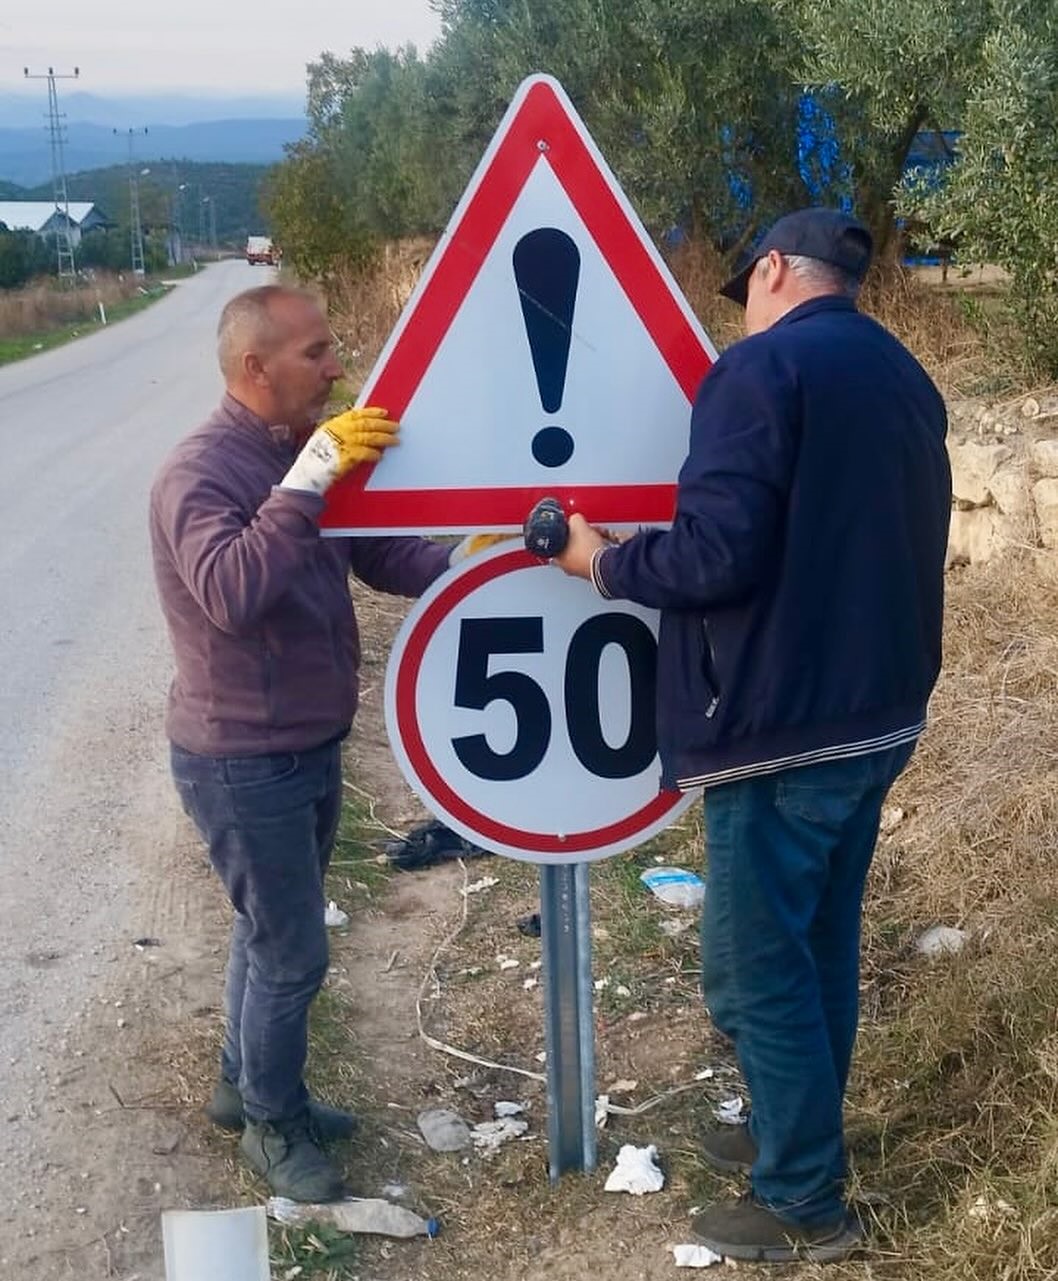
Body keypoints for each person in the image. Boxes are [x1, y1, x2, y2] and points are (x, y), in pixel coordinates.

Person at [549, 209, 951, 1262]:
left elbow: (712, 557)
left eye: (747, 289)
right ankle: (792, 1137)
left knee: (747, 969)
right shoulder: (899, 374)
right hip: (878, 713)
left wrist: (598, 562)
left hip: (783, 722)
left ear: (771, 269)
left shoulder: (758, 374)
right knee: (814, 948)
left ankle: (800, 1203)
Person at [149, 284, 457, 1203]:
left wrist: (466, 557)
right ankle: (273, 1124)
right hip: (241, 757)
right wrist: (307, 480)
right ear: (255, 368)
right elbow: (233, 590)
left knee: (269, 928)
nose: (336, 369)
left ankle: (241, 1086)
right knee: (293, 951)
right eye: (316, 354)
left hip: (308, 739)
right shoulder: (199, 472)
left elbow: (377, 555)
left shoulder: (298, 457)